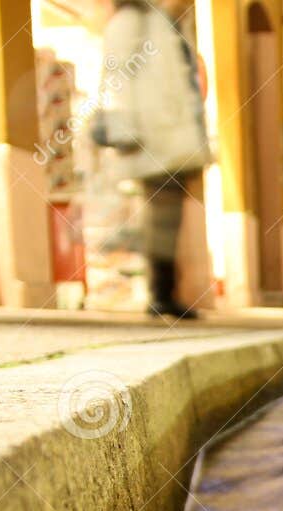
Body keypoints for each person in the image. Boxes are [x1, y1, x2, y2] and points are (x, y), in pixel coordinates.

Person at [98, 0, 212, 320]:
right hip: (153, 137)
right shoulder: (133, 21)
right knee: (160, 215)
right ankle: (160, 293)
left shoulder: (166, 24)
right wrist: (124, 128)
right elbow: (117, 76)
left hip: (171, 137)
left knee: (168, 215)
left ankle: (165, 292)